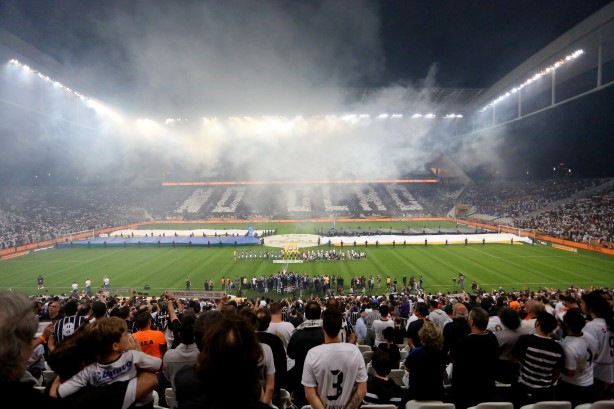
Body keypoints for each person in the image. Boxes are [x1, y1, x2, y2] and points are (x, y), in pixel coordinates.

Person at [55, 316, 163, 407]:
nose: (130, 336)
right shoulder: (106, 391)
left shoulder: (66, 381)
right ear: (115, 346)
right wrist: (138, 355)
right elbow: (151, 380)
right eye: (125, 334)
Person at [302, 307, 368, 409]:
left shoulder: (312, 354)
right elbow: (362, 390)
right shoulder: (355, 351)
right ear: (340, 327)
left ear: (322, 327)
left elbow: (310, 394)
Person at [511, 311, 564, 408]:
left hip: (524, 388)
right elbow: (557, 372)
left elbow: (514, 360)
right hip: (545, 390)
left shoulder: (525, 340)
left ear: (537, 323)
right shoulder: (558, 348)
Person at [449, 307, 499, 409]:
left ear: (471, 322)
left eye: (469, 317)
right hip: (486, 386)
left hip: (466, 389)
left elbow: (452, 357)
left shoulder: (464, 342)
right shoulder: (492, 337)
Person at [555, 308, 596, 407]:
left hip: (573, 386)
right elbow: (596, 355)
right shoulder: (590, 336)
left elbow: (570, 372)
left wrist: (557, 368)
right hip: (589, 381)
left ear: (567, 325)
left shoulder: (567, 345)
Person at [287, 300, 324, 408]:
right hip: (322, 381)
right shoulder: (326, 334)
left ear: (305, 315)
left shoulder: (297, 334)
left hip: (302, 382)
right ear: (320, 314)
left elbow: (291, 354)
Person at [581, 290, 614, 400]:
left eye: (582, 302)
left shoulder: (591, 327)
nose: (581, 305)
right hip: (610, 373)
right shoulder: (609, 323)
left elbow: (588, 354)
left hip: (597, 375)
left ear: (590, 308)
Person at [403, 320, 447, 402]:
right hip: (437, 393)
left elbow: (407, 367)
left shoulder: (416, 352)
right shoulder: (441, 353)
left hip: (417, 394)